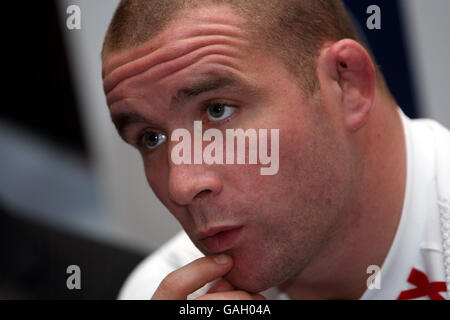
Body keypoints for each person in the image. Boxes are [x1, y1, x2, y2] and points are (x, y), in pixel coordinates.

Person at [101, 0, 450, 299]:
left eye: (218, 110)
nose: (183, 185)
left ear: (348, 83)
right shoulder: (163, 290)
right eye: (151, 138)